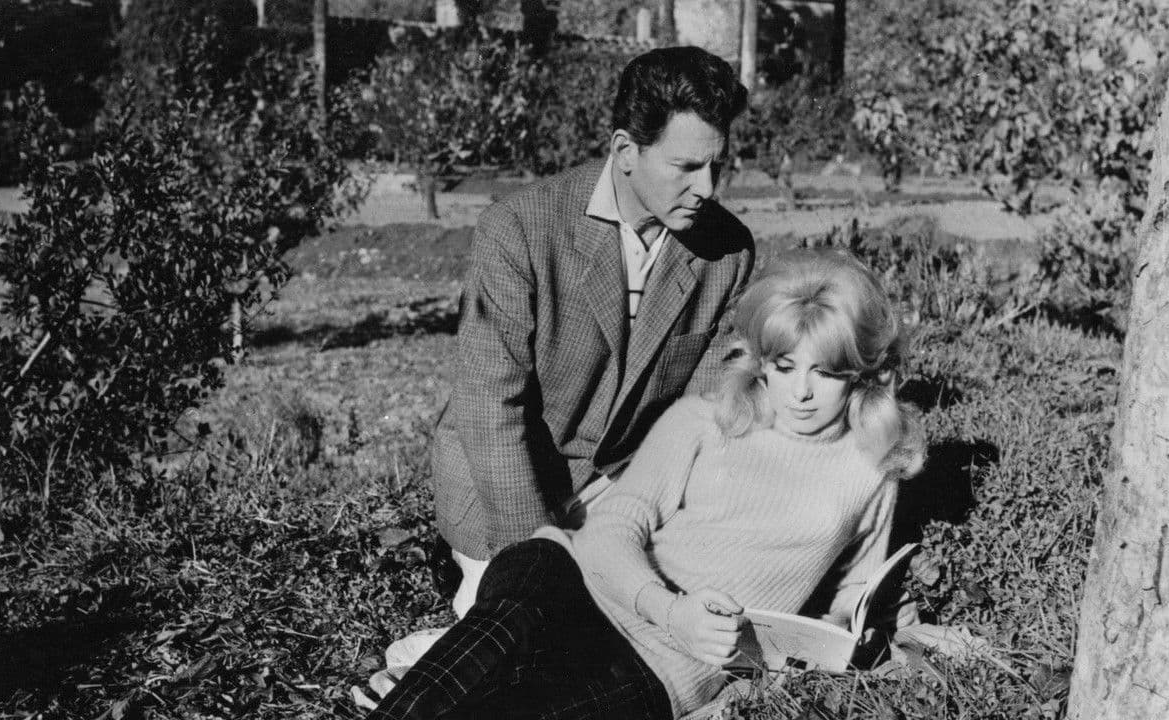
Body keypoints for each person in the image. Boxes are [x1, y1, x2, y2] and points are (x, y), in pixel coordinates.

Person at [369, 249, 926, 720]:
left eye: (824, 373)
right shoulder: (704, 420)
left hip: (664, 666)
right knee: (507, 623)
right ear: (762, 362)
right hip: (579, 583)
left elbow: (852, 597)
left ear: (859, 372)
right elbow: (609, 532)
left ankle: (441, 678)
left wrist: (831, 638)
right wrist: (671, 611)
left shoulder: (871, 467)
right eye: (784, 367)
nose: (801, 393)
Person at [431, 45, 754, 618]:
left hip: (622, 491)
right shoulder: (518, 230)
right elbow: (489, 410)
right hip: (503, 487)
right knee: (526, 625)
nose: (706, 187)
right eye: (685, 167)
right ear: (625, 151)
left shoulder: (727, 252)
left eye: (716, 166)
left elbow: (699, 419)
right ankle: (428, 655)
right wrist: (534, 554)